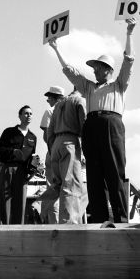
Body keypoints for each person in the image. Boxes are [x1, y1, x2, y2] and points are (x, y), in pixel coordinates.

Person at [48, 18, 136, 224]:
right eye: (94, 67)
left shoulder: (119, 84)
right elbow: (71, 73)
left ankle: (122, 219)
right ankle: (99, 219)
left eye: (98, 67)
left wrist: (129, 33)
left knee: (114, 172)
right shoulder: (88, 87)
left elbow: (129, 60)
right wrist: (55, 48)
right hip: (91, 127)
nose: (94, 70)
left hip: (111, 126)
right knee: (95, 176)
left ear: (108, 70)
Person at [46, 89, 87, 223]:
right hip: (70, 142)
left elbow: (49, 132)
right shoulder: (79, 101)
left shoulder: (58, 105)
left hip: (56, 144)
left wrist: (53, 151)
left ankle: (48, 217)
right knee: (71, 186)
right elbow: (84, 125)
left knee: (58, 186)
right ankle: (70, 226)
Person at [0, 105, 37, 225]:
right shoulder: (9, 132)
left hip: (23, 172)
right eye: (25, 113)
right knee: (5, 201)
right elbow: (0, 149)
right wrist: (13, 152)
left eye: (30, 113)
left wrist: (34, 165)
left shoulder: (33, 137)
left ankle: (19, 230)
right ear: (19, 116)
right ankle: (3, 229)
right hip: (8, 169)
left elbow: (31, 156)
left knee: (21, 202)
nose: (28, 115)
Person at [39, 86, 65, 224]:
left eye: (49, 96)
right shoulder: (68, 111)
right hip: (67, 153)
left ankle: (52, 224)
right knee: (65, 188)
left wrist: (52, 151)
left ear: (56, 97)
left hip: (53, 151)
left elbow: (46, 135)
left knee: (53, 188)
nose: (47, 99)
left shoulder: (50, 111)